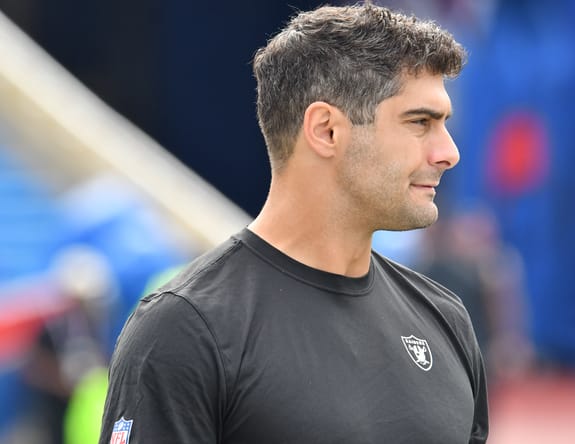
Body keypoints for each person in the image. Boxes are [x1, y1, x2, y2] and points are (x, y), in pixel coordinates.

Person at [99, 3, 488, 443]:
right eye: (420, 122)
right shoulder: (185, 329)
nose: (448, 152)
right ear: (326, 130)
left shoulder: (445, 318)